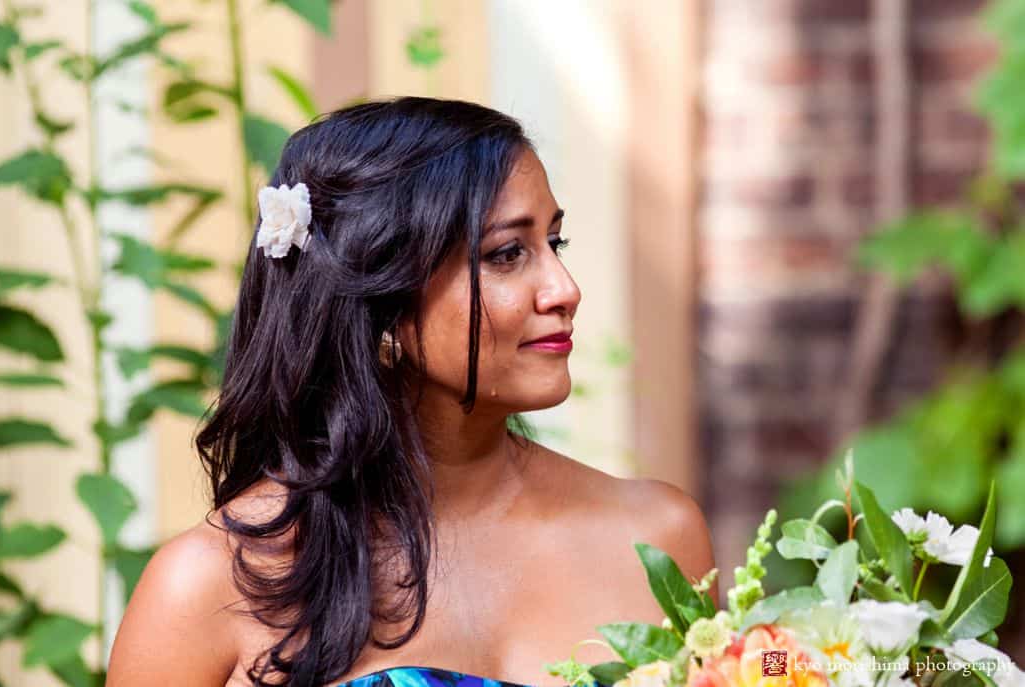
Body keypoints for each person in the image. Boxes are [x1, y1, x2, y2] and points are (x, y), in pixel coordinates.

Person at [106, 96, 718, 687]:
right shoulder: (207, 588)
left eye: (553, 244)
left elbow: (769, 671)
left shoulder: (659, 537)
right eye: (507, 254)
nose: (564, 289)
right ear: (385, 303)